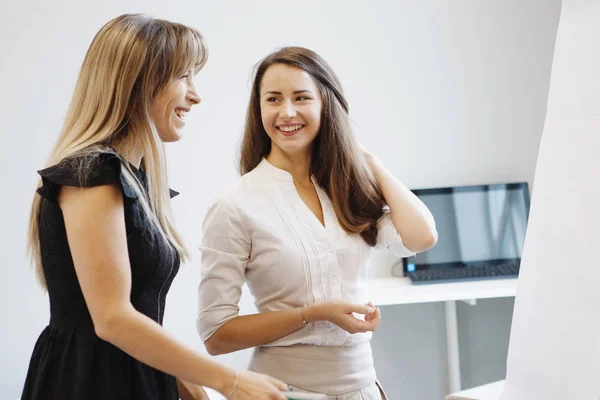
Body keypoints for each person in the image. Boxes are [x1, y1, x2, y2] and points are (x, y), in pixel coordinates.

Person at [22, 14, 287, 400]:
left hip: (134, 377)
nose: (195, 95)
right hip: (92, 384)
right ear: (139, 83)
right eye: (184, 76)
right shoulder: (93, 175)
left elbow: (141, 316)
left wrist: (190, 386)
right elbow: (113, 319)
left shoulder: (132, 180)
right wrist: (227, 380)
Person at [197, 46, 438, 399]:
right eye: (274, 99)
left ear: (327, 104)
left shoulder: (347, 192)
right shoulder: (235, 205)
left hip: (363, 388)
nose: (287, 112)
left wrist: (364, 158)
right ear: (259, 109)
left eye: (301, 97)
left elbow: (422, 237)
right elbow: (216, 335)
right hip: (285, 390)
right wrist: (312, 313)